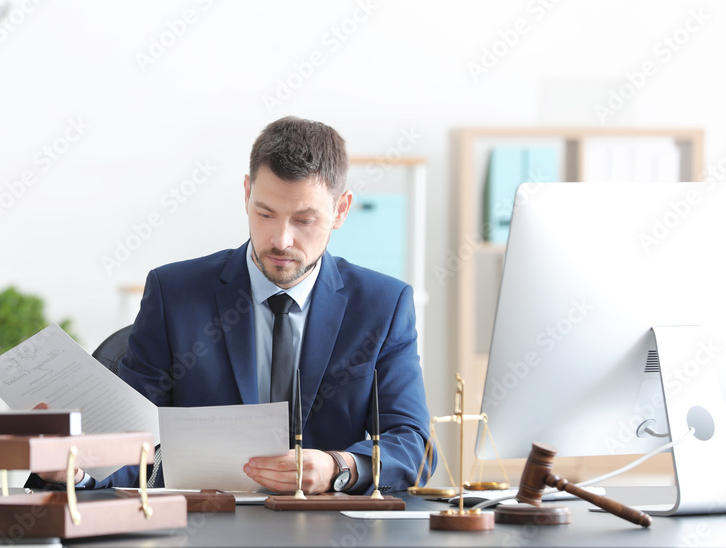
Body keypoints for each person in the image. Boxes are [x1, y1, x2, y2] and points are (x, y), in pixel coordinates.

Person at [36, 116, 433, 493]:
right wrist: (79, 469)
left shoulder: (383, 305)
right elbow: (133, 443)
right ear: (247, 194)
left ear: (341, 210)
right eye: (266, 213)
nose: (281, 240)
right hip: (204, 521)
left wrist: (339, 468)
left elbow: (412, 443)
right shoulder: (173, 294)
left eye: (304, 220)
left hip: (327, 524)